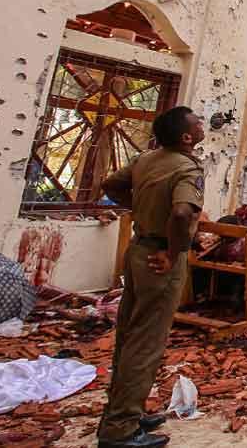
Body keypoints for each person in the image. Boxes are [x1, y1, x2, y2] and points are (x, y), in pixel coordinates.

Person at [97, 106, 206, 448]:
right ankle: (120, 430)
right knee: (146, 343)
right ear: (186, 137)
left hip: (138, 251)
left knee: (129, 334)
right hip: (160, 259)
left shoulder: (147, 160)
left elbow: (110, 184)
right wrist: (172, 251)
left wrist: (141, 209)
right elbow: (181, 211)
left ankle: (126, 410)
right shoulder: (186, 167)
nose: (203, 125)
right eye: (197, 123)